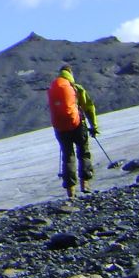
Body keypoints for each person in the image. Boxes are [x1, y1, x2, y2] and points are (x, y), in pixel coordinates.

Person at [47, 65, 99, 199]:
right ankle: (85, 183)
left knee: (68, 156)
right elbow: (89, 107)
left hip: (60, 129)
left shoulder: (53, 89)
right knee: (83, 153)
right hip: (78, 125)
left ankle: (71, 190)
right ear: (70, 73)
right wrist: (94, 126)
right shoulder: (76, 88)